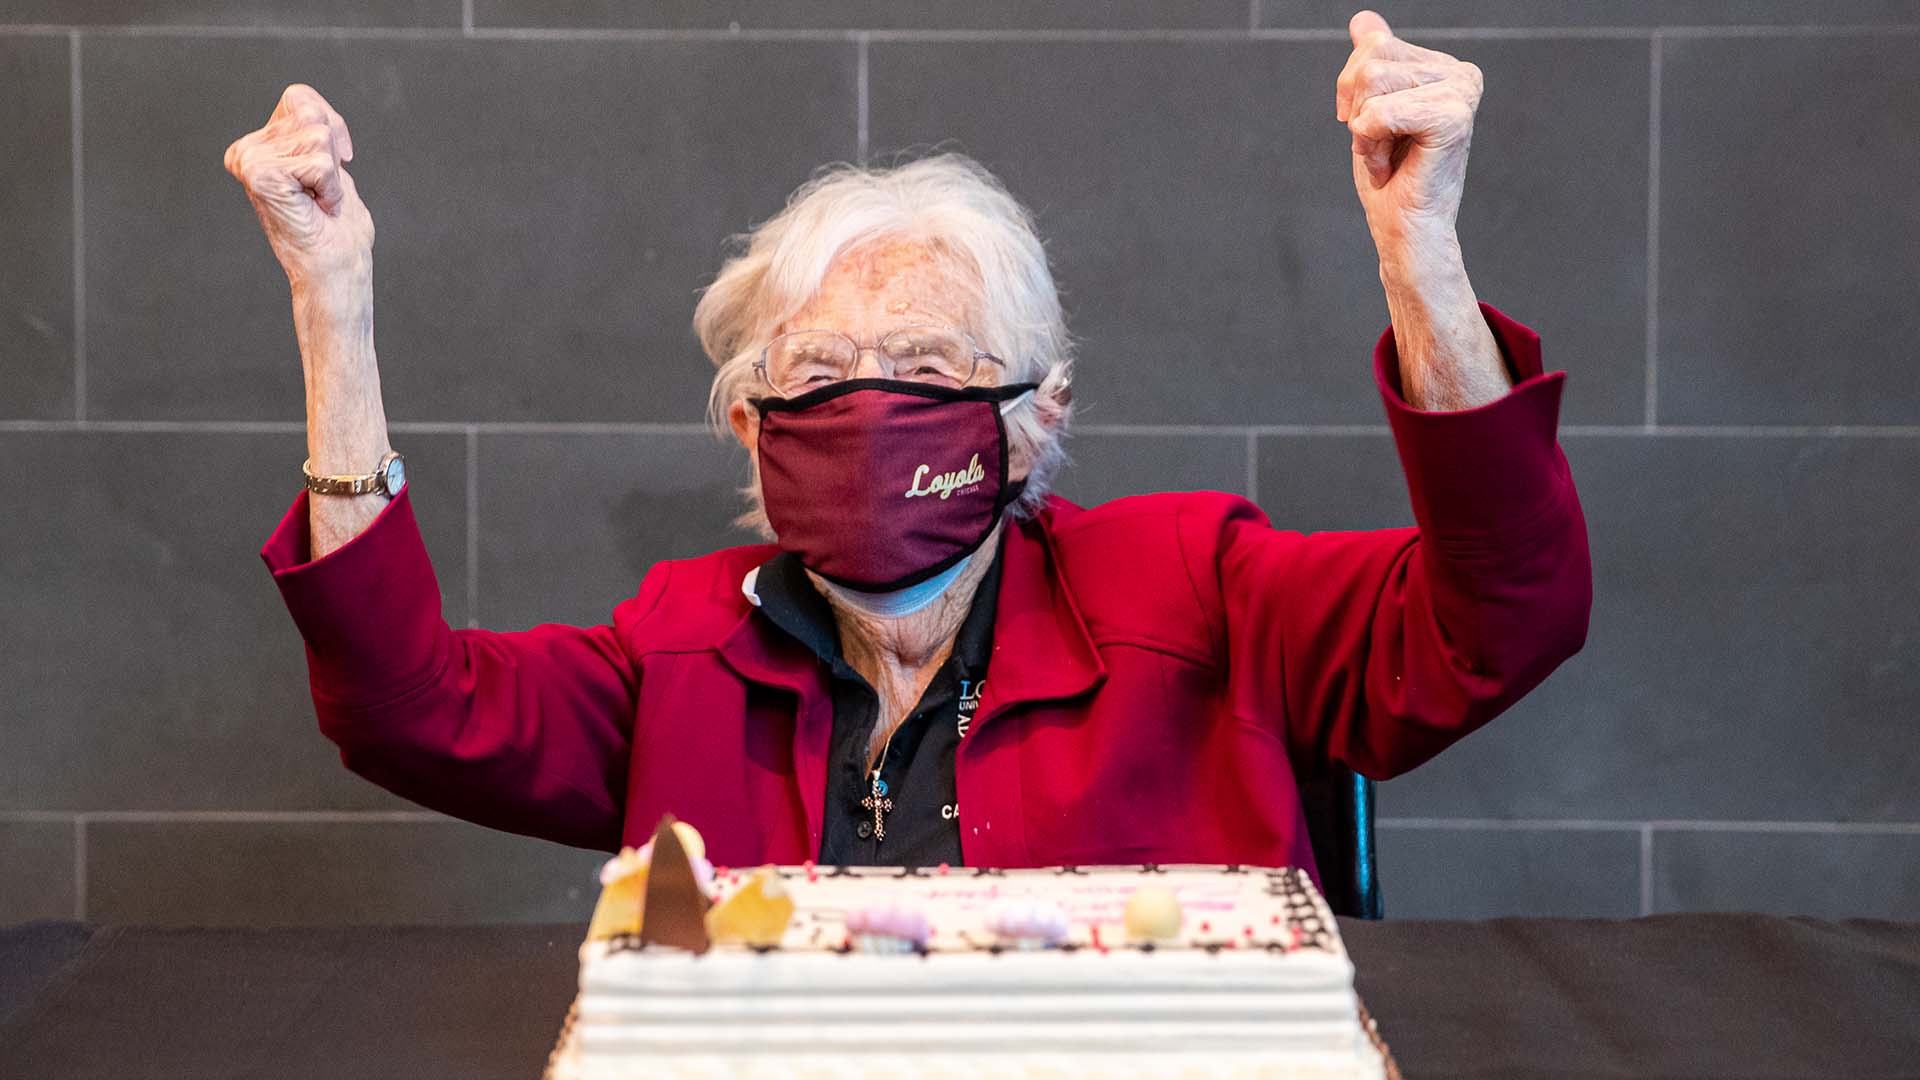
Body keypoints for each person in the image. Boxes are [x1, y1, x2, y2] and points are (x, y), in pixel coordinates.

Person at [226, 10, 1590, 882]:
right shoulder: (681, 649)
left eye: (929, 367)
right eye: (821, 372)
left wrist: (1421, 253)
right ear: (753, 427)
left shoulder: (1201, 588)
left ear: (1037, 417)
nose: (873, 408)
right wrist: (331, 302)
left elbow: (1503, 619)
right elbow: (405, 710)